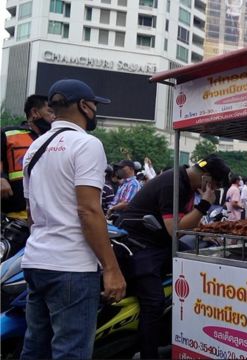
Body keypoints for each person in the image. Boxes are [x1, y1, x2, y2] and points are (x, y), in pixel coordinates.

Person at [20, 79, 126, 359]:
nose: (95, 111)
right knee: (71, 352)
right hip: (72, 268)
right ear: (84, 106)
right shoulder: (87, 144)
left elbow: (32, 214)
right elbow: (88, 211)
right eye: (94, 105)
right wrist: (111, 268)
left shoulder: (34, 149)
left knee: (35, 348)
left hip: (34, 262)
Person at [115, 154, 230, 358]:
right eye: (216, 185)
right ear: (207, 178)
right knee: (154, 302)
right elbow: (174, 229)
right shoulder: (173, 183)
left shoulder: (185, 183)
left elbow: (183, 221)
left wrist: (203, 231)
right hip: (139, 247)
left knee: (194, 269)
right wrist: (204, 204)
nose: (216, 189)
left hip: (158, 244)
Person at [1, 95, 55, 220]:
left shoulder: (58, 139)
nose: (54, 117)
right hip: (14, 216)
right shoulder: (8, 134)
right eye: (50, 112)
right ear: (35, 112)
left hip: (48, 216)